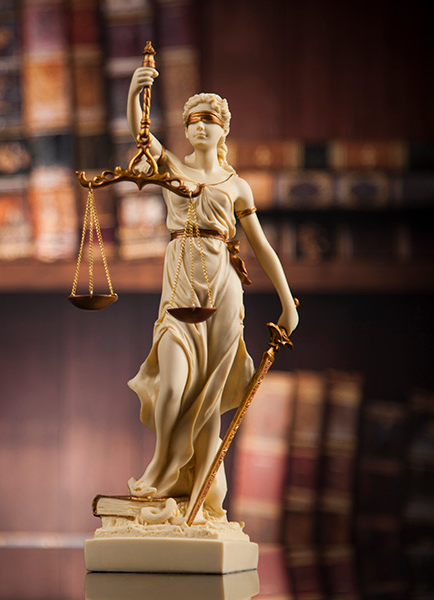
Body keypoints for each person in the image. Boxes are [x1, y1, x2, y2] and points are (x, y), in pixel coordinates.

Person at [125, 65, 299, 524]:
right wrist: (135, 90)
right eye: (193, 120)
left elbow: (261, 247)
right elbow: (142, 139)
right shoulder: (173, 169)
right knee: (173, 386)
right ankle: (160, 471)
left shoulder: (236, 185)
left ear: (223, 128)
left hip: (221, 289)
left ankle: (198, 497)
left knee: (209, 401)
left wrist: (286, 302)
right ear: (185, 130)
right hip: (180, 281)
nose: (201, 125)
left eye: (210, 119)